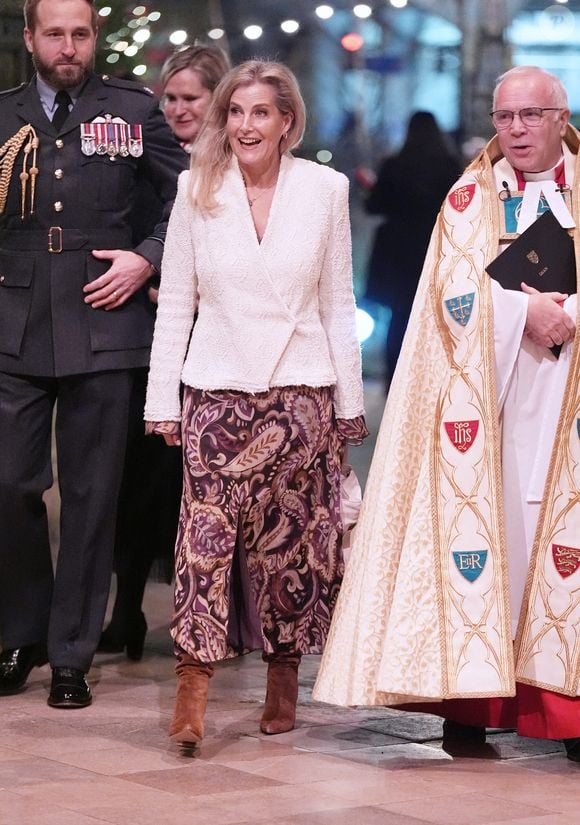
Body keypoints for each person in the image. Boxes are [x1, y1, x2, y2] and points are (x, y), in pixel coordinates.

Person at [313, 66, 580, 763]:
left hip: (567, 407)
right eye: (504, 117)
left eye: (530, 115)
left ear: (561, 116)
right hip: (486, 409)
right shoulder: (467, 199)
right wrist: (527, 310)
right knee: (488, 548)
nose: (515, 130)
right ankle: (473, 706)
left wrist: (568, 314)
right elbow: (446, 299)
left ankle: (571, 712)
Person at [144, 59, 367, 745]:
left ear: (287, 122)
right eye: (236, 112)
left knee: (290, 549)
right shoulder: (195, 188)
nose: (246, 125)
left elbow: (336, 300)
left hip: (301, 394)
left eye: (261, 112)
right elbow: (176, 299)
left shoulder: (325, 190)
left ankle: (281, 676)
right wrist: (163, 399)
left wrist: (350, 402)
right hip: (215, 391)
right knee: (201, 546)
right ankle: (193, 686)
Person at [0, 0, 187, 708]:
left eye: (80, 33)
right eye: (55, 33)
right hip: (13, 320)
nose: (69, 46)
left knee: (90, 493)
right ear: (30, 38)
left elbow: (188, 194)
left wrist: (148, 258)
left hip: (105, 317)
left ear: (94, 37)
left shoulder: (134, 111)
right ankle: (23, 630)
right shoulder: (4, 112)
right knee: (11, 484)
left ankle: (72, 651)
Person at [98, 43, 229, 661]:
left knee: (198, 484)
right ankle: (125, 612)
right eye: (169, 98)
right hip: (143, 338)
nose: (177, 109)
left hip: (210, 342)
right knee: (136, 478)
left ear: (216, 101)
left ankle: (207, 619)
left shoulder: (234, 168)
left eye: (190, 98)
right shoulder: (141, 160)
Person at [363, 111, 461, 388]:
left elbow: (374, 206)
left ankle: (395, 382)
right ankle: (435, 382)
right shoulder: (450, 165)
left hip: (397, 253)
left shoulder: (394, 165)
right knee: (437, 319)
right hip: (436, 248)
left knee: (399, 320)